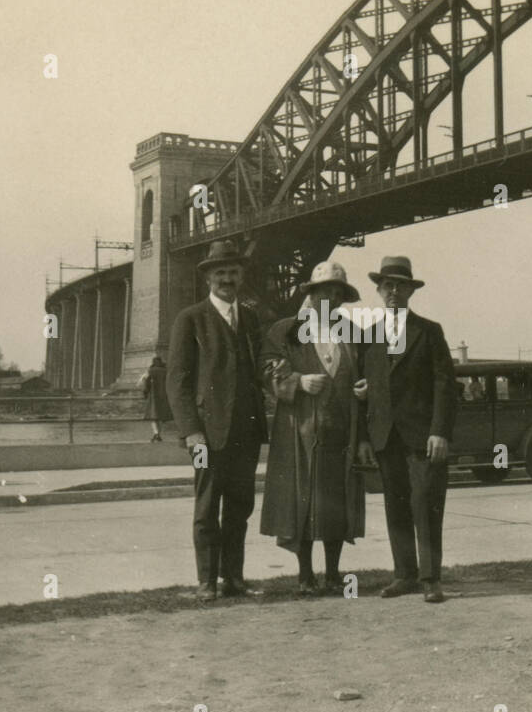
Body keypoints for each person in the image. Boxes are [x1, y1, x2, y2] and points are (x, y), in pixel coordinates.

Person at [166, 239, 268, 602]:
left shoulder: (251, 318)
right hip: (205, 435)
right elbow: (176, 381)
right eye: (220, 272)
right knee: (207, 506)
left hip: (246, 431)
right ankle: (207, 581)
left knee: (240, 507)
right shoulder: (190, 319)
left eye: (233, 272)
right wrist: (191, 431)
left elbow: (261, 371)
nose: (227, 278)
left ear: (241, 276)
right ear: (208, 278)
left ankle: (234, 579)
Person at [259, 261, 367, 596]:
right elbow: (264, 371)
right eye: (325, 293)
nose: (331, 300)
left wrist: (367, 390)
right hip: (299, 433)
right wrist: (298, 381)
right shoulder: (286, 331)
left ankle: (333, 573)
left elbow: (368, 376)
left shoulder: (354, 333)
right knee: (301, 504)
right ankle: (305, 575)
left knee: (336, 504)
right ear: (312, 294)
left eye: (338, 294)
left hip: (341, 434)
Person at [355, 255, 456, 604]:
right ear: (379, 291)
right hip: (385, 436)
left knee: (426, 503)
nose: (393, 291)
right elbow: (361, 391)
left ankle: (431, 579)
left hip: (423, 436)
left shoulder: (430, 332)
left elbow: (445, 385)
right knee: (395, 505)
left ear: (411, 290)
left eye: (400, 285)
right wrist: (364, 438)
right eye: (387, 285)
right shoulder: (367, 337)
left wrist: (439, 431)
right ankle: (404, 575)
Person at [140, 355, 173, 442]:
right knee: (160, 416)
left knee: (153, 416)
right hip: (164, 396)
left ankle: (156, 433)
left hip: (154, 396)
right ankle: (158, 434)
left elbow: (146, 384)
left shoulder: (151, 371)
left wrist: (145, 393)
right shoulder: (166, 371)